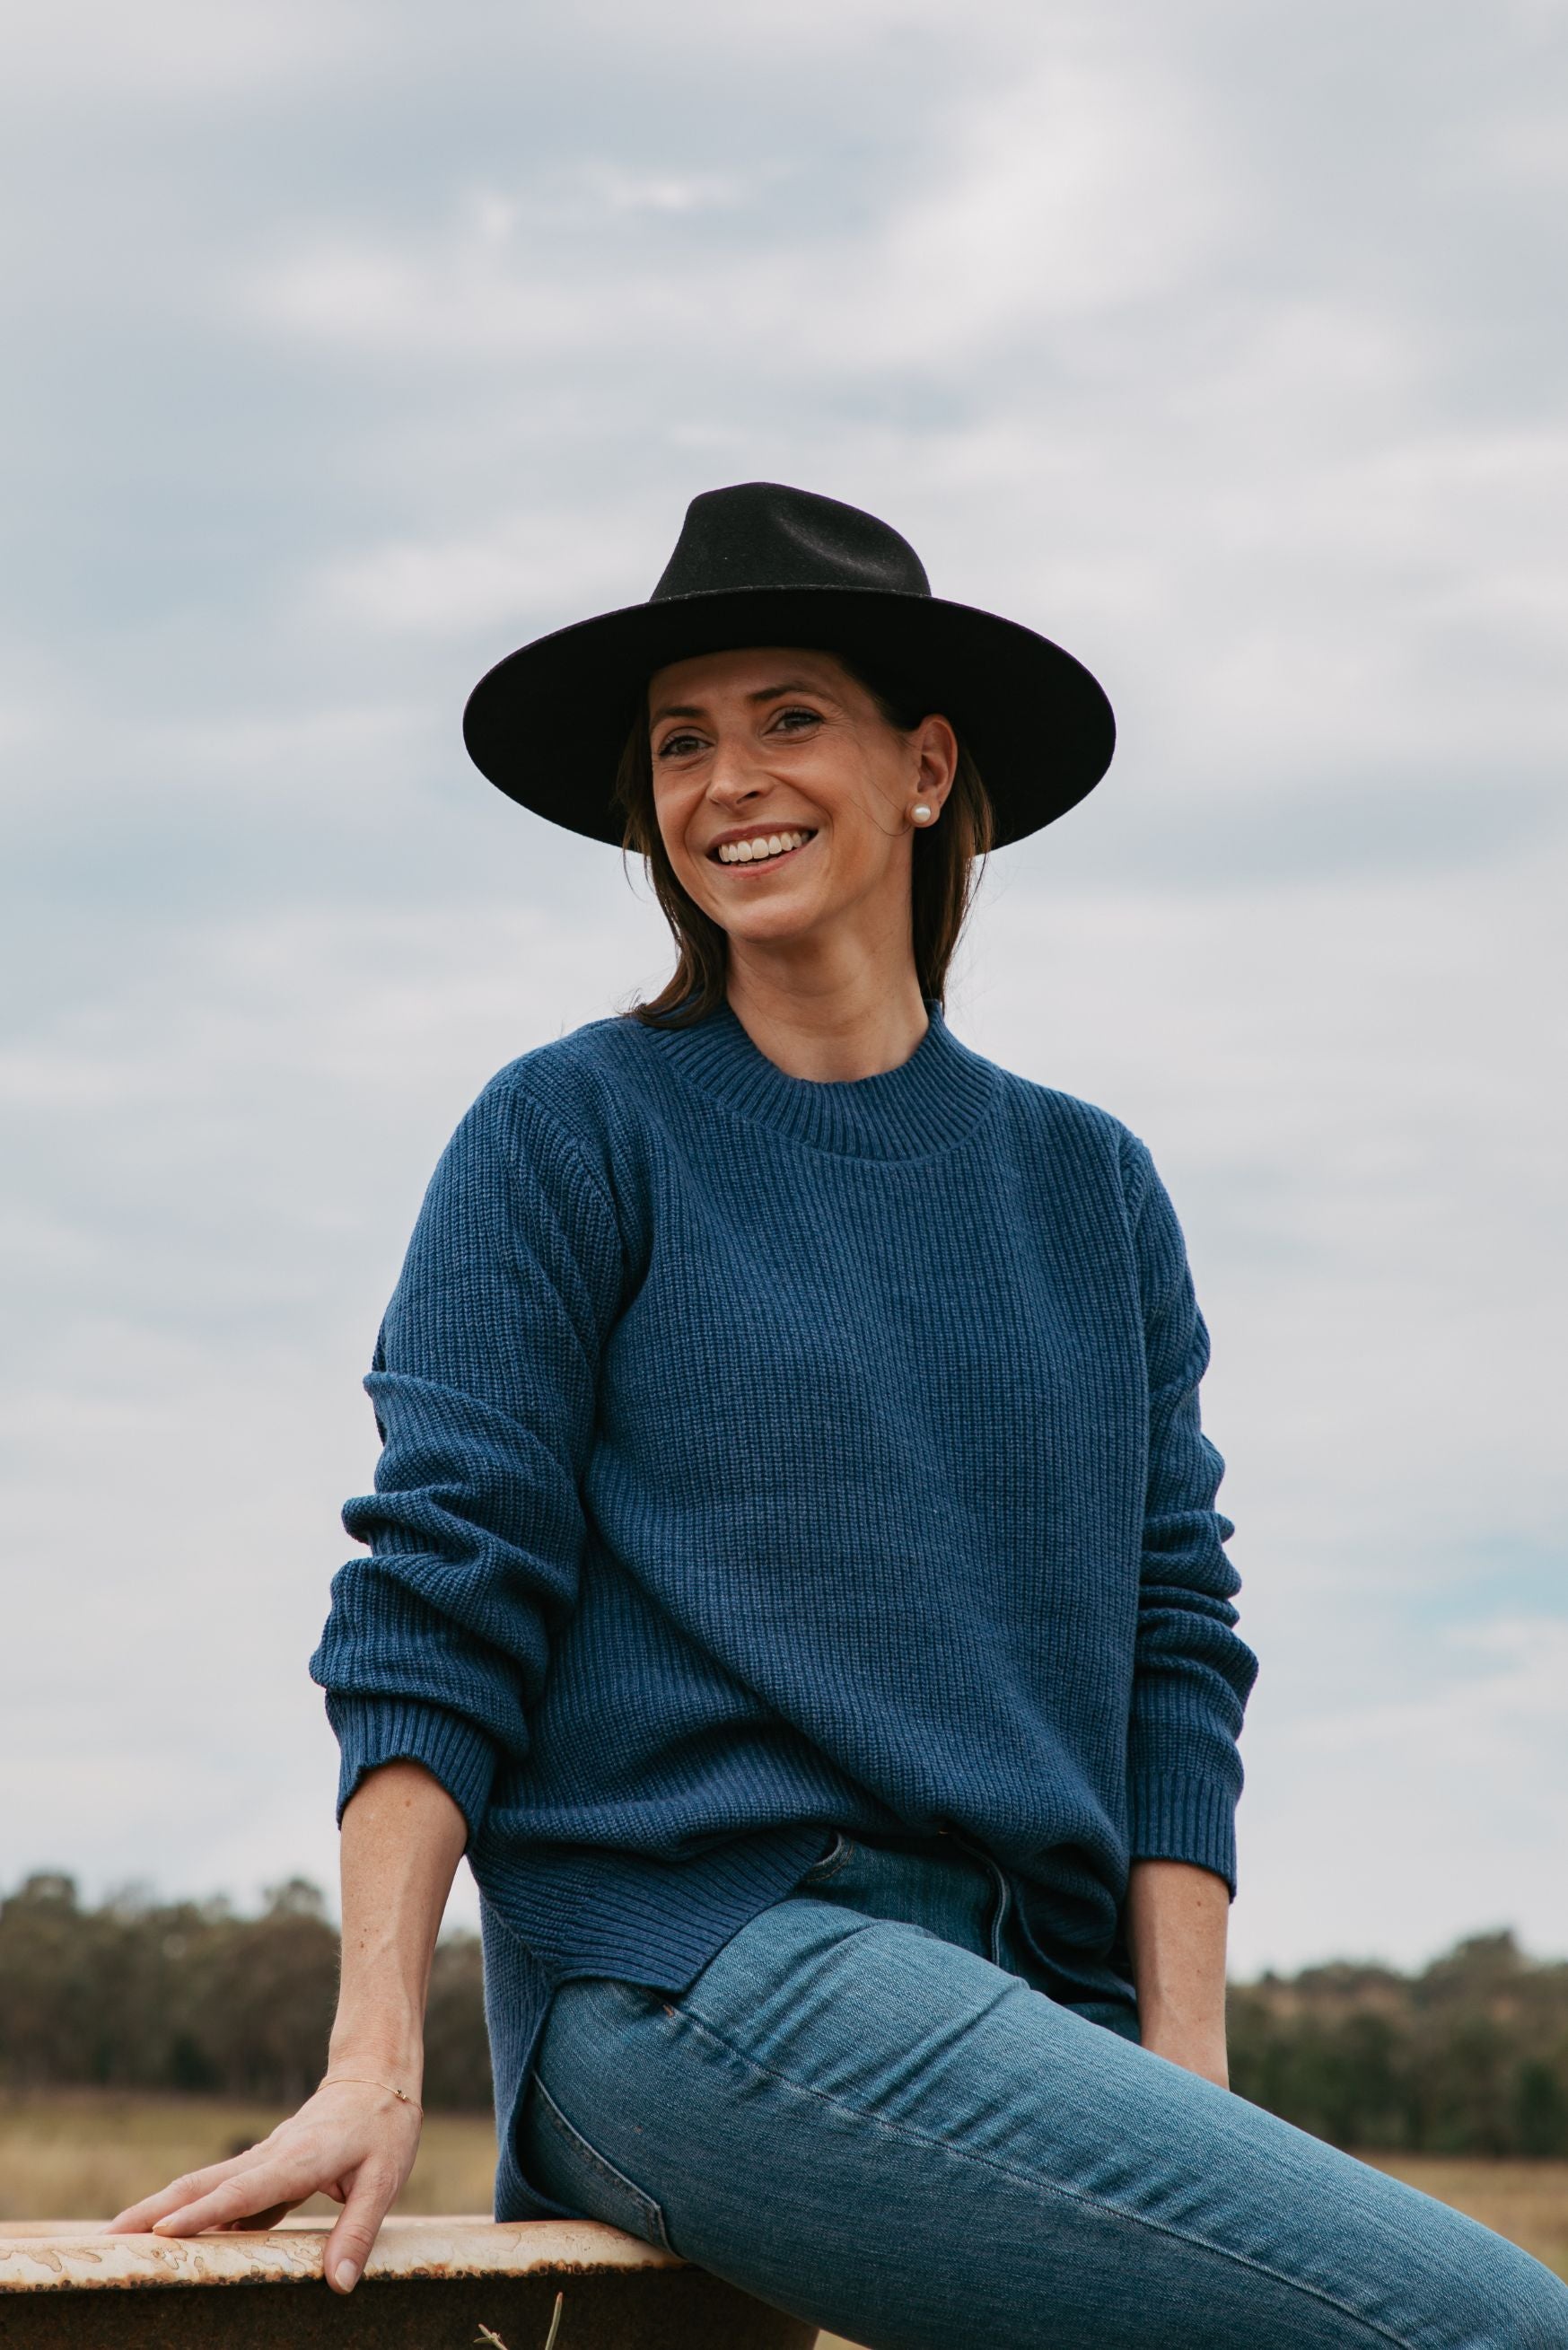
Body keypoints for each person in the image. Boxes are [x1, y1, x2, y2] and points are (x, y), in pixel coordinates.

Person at [110, 485, 1568, 2349]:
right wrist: (373, 2054)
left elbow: (1174, 1643)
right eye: (680, 741)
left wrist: (1183, 2070)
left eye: (788, 717)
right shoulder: (571, 1132)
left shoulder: (1092, 1189)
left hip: (1029, 1994)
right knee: (1491, 2326)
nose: (728, 781)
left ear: (926, 767)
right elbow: (436, 1596)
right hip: (694, 1969)